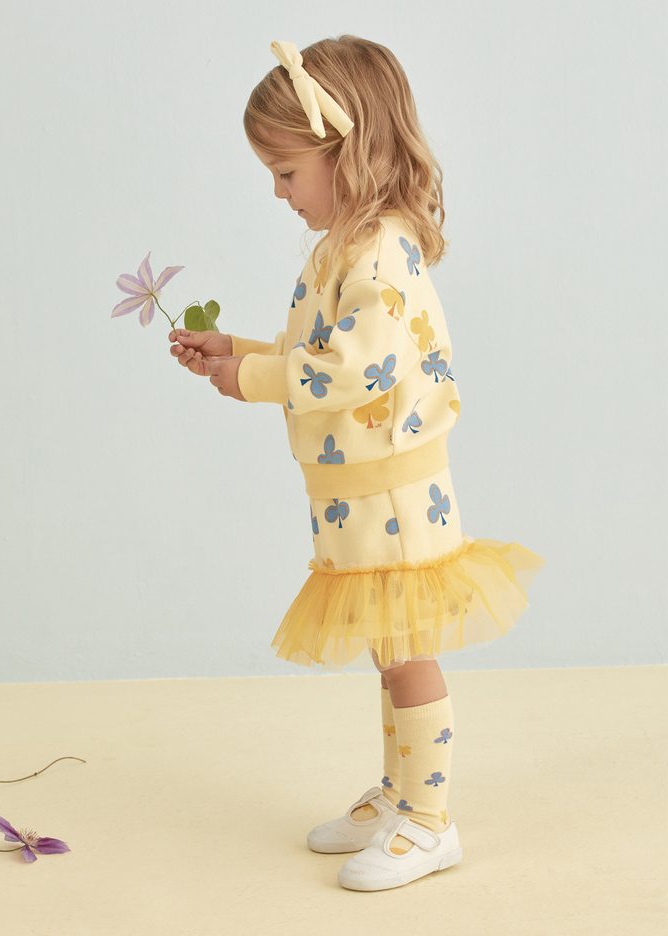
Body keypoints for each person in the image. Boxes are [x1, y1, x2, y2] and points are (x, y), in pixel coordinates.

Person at [169, 37, 544, 892]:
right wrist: (241, 352)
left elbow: (355, 369)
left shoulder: (381, 250)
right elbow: (320, 349)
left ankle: (431, 821)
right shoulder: (345, 246)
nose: (279, 192)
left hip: (396, 495)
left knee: (408, 653)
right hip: (358, 494)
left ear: (349, 152)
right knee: (389, 648)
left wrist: (251, 378)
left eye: (286, 171)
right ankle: (402, 795)